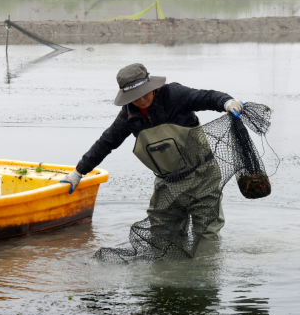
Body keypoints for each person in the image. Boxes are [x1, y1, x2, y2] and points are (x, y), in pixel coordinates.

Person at [60, 63, 243, 244]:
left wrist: (227, 102)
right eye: (134, 96)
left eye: (143, 92)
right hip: (167, 182)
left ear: (151, 86)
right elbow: (106, 143)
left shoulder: (174, 95)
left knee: (206, 236)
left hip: (202, 175)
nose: (140, 100)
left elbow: (207, 97)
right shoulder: (128, 116)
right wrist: (79, 172)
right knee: (161, 236)